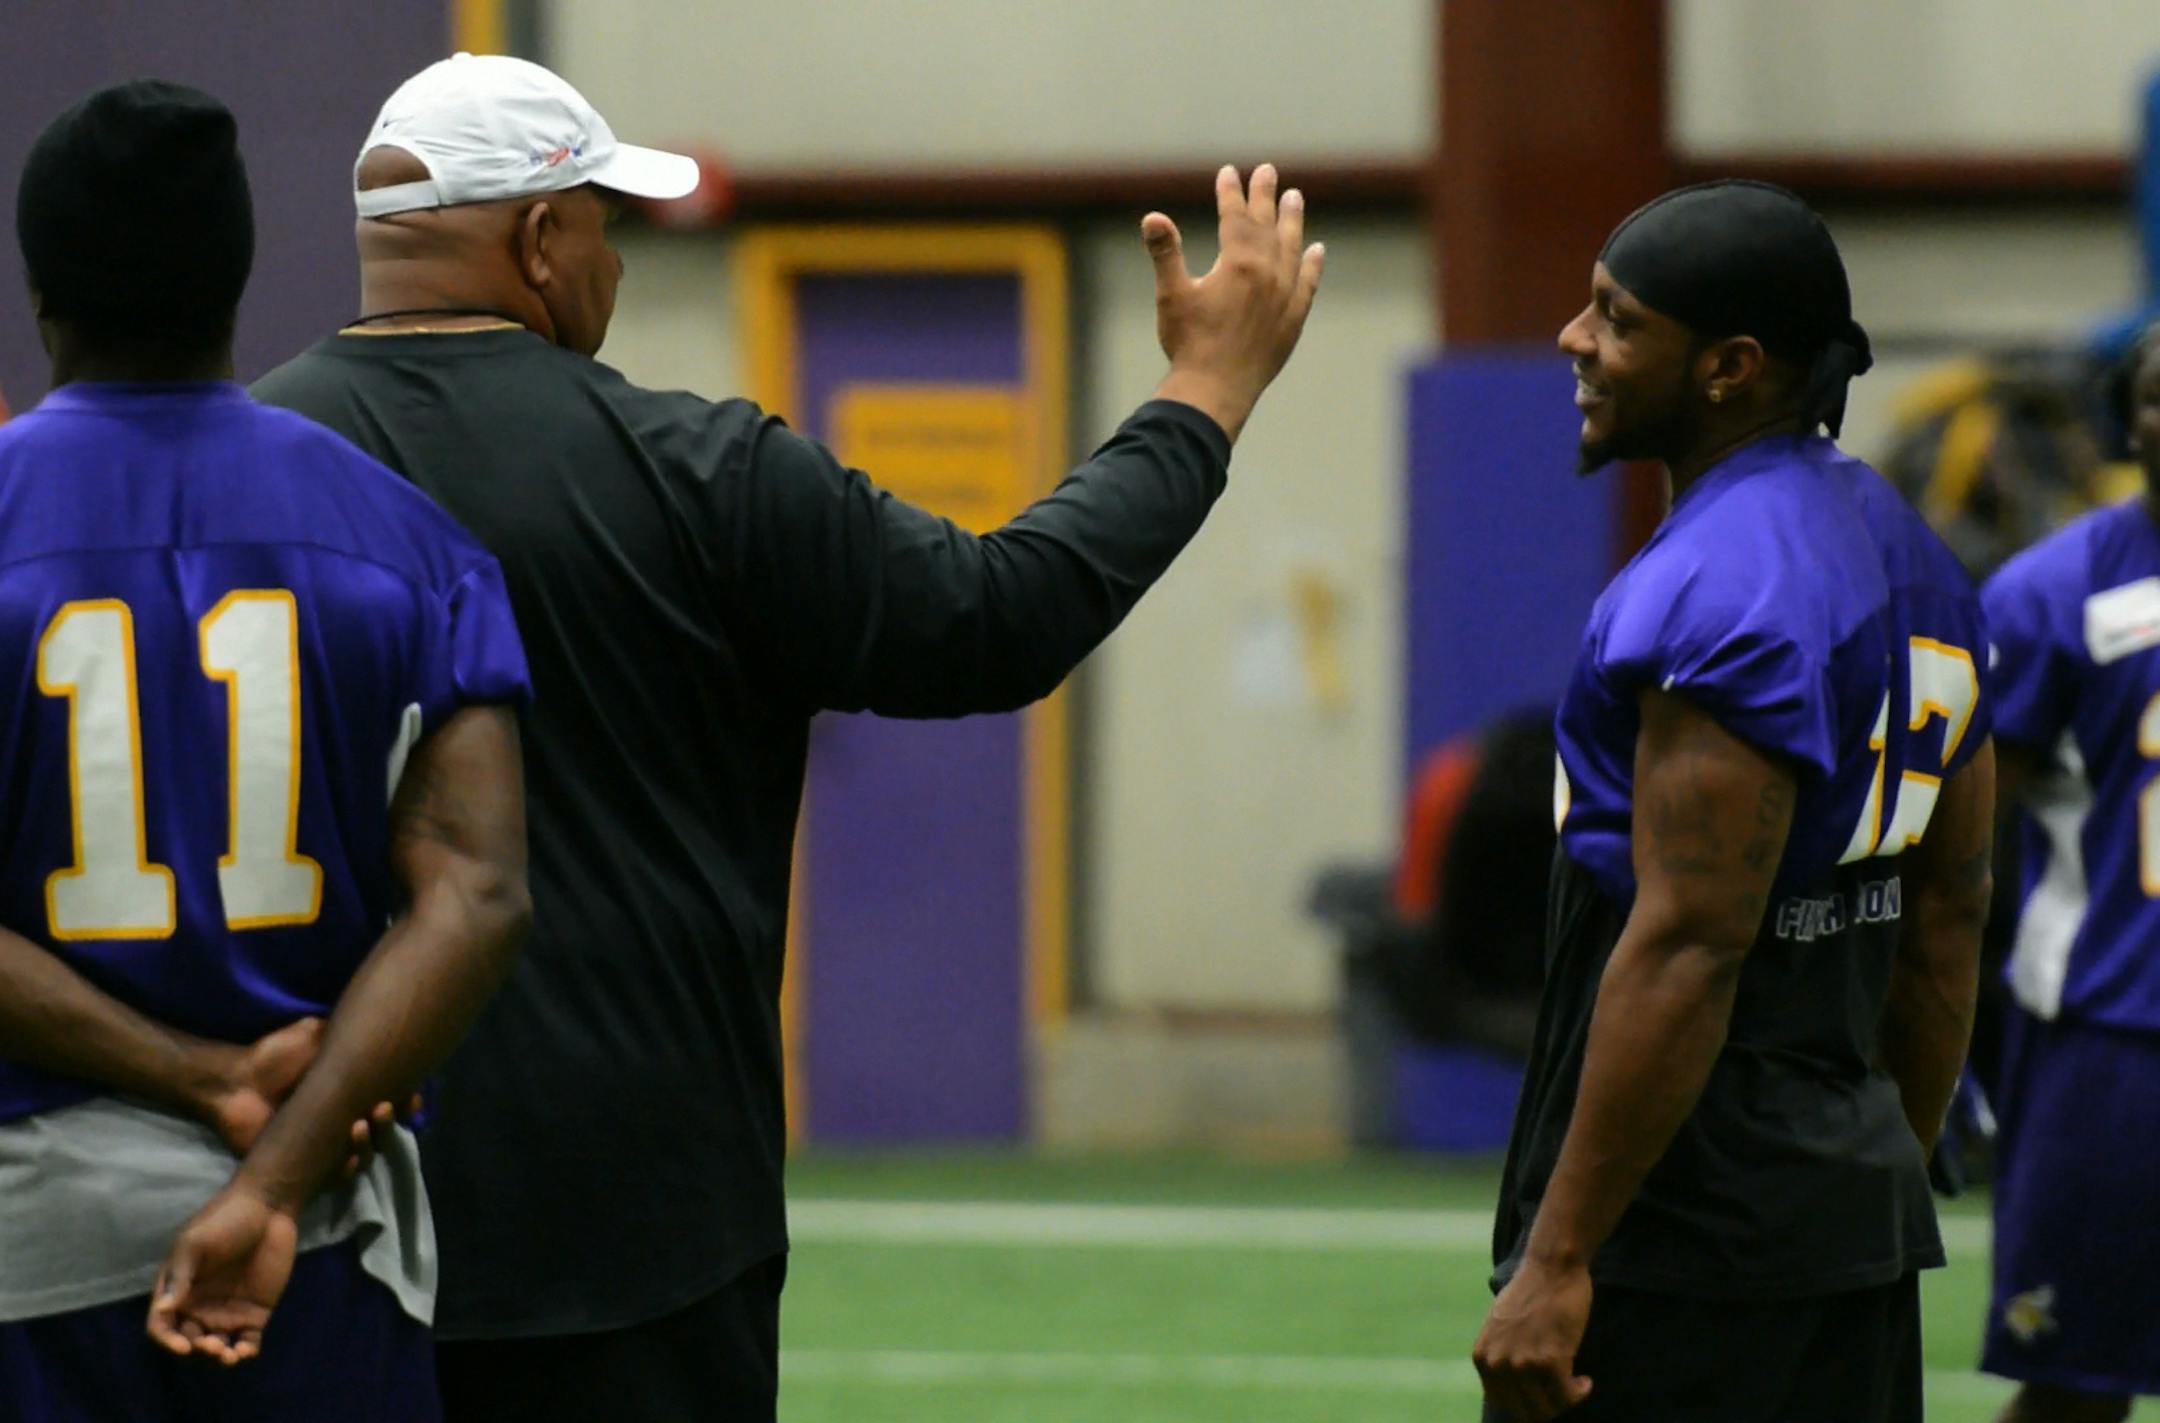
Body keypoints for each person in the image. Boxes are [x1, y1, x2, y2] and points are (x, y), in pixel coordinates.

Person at [251, 52, 1324, 1422]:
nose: (614, 269)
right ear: (537, 239)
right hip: (644, 1228)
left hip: (314, 1187)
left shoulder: (241, 471)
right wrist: (1206, 390)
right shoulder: (701, 473)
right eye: (604, 229)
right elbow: (999, 618)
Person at [0, 81, 532, 1420]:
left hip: (32, 1241)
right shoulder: (407, 538)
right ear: (235, 277)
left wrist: (197, 1075)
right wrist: (272, 1175)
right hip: (325, 1242)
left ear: (42, 289)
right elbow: (478, 889)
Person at [1470, 180, 1997, 1423]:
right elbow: (1950, 909)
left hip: (1685, 1233)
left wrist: (1556, 1259)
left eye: (1618, 318)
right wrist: (1887, 1158)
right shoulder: (1913, 554)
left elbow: (1692, 943)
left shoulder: (1722, 584)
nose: (1574, 341)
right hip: (1843, 1221)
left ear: (1731, 367)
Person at [1974, 325, 2160, 1423]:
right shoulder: (2048, 596)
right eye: (2156, 398)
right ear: (2123, 421)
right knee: (2072, 1386)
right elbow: (1963, 844)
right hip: (2109, 1038)